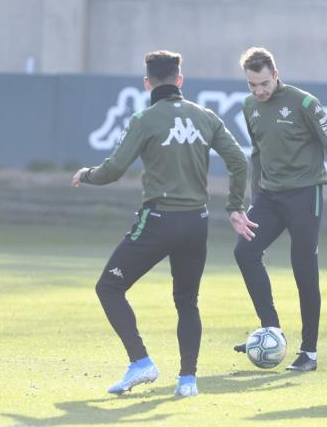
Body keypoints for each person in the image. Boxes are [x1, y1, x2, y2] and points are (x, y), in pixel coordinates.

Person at [71, 50, 256, 397]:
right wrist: (234, 206)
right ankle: (187, 381)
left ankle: (140, 362)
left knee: (108, 288)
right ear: (180, 80)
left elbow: (113, 170)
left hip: (157, 222)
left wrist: (87, 175)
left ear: (147, 83)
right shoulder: (206, 117)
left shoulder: (145, 119)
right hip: (196, 223)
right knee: (187, 301)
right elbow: (238, 162)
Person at [232, 47, 327, 371]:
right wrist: (253, 199)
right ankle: (271, 329)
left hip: (305, 194)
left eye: (263, 83)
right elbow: (256, 153)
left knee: (303, 268)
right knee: (244, 252)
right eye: (251, 85)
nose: (258, 91)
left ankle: (309, 352)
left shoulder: (304, 103)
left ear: (275, 73)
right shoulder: (249, 107)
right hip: (269, 198)